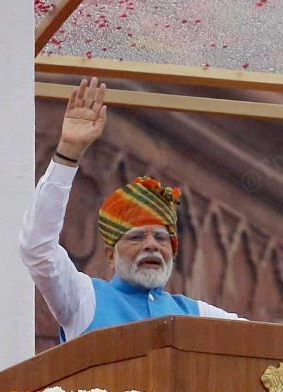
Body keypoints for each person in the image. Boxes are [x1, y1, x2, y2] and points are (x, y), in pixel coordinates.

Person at [20, 77, 242, 342]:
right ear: (110, 256)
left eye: (161, 238)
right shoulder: (83, 299)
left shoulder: (200, 316)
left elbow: (262, 344)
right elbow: (37, 249)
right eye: (136, 237)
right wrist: (69, 151)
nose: (151, 245)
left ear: (172, 252)